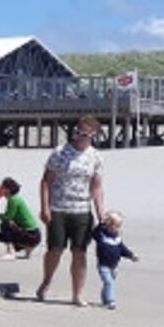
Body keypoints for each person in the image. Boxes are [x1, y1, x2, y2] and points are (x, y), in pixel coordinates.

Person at [36, 115, 106, 306]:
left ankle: (77, 294)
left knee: (80, 252)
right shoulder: (60, 152)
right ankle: (46, 281)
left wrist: (101, 214)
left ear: (93, 135)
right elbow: (46, 181)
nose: (80, 136)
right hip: (59, 208)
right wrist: (44, 207)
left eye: (84, 133)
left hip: (82, 210)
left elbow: (97, 187)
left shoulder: (96, 157)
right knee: (55, 250)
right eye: (77, 132)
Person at [92, 211, 139, 309]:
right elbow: (94, 233)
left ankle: (105, 299)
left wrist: (131, 256)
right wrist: (102, 224)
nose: (116, 228)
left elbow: (123, 249)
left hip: (114, 266)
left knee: (109, 283)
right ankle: (110, 301)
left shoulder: (117, 239)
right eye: (114, 226)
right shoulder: (101, 236)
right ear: (108, 225)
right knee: (109, 282)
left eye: (118, 226)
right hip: (103, 265)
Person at [0, 177, 41, 256]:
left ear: (7, 190)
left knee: (5, 225)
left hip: (32, 235)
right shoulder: (15, 198)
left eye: (2, 187)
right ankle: (27, 248)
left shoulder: (13, 200)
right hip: (34, 234)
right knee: (2, 233)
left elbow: (8, 217)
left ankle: (11, 251)